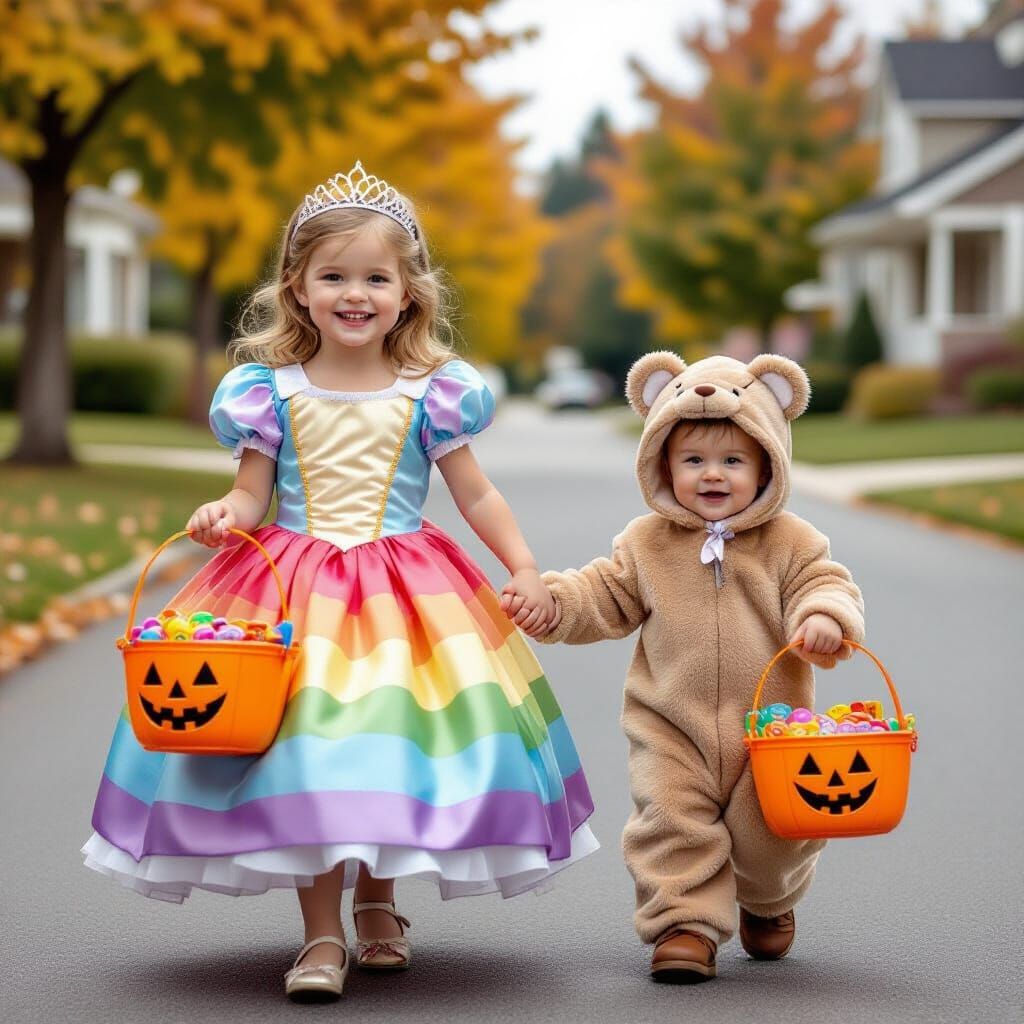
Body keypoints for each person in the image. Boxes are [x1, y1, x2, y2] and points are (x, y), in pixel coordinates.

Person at [83, 162, 597, 1002]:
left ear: (407, 293)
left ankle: (380, 906)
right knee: (309, 751)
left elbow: (476, 492)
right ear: (298, 288)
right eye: (333, 276)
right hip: (291, 594)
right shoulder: (269, 392)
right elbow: (253, 492)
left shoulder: (430, 393)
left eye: (374, 278)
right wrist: (226, 513)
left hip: (409, 596)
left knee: (390, 747)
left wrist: (526, 566)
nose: (354, 294)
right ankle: (321, 933)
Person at [502, 351, 864, 983]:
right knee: (670, 822)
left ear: (767, 464)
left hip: (772, 731)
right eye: (693, 460)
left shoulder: (792, 541)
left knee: (773, 835)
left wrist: (826, 616)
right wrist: (554, 605)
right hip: (669, 722)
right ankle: (684, 925)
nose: (712, 475)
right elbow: (603, 594)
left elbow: (824, 583)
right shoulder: (646, 543)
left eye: (733, 460)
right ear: (662, 464)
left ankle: (769, 900)